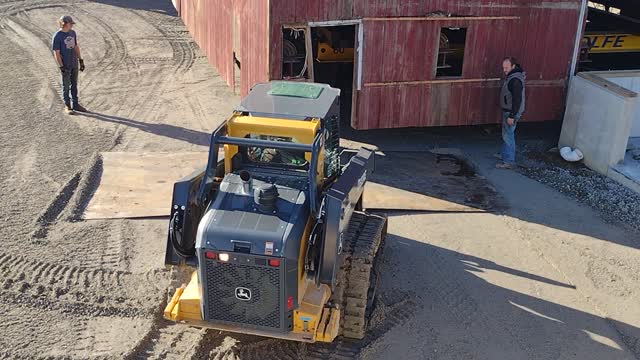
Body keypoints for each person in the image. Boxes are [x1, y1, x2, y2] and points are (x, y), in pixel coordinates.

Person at [52, 15, 86, 115]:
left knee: (74, 84)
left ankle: (75, 104)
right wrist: (61, 66)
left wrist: (80, 60)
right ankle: (67, 105)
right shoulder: (57, 36)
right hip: (65, 64)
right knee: (66, 85)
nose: (72, 25)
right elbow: (56, 53)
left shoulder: (72, 33)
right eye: (70, 24)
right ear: (64, 24)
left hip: (74, 62)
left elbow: (76, 46)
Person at [496, 56, 525, 169]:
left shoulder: (515, 80)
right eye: (503, 68)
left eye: (506, 68)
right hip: (509, 111)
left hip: (511, 112)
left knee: (508, 135)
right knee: (506, 134)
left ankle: (508, 161)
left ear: (513, 66)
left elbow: (517, 99)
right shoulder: (514, 76)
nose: (504, 70)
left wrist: (512, 115)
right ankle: (504, 155)